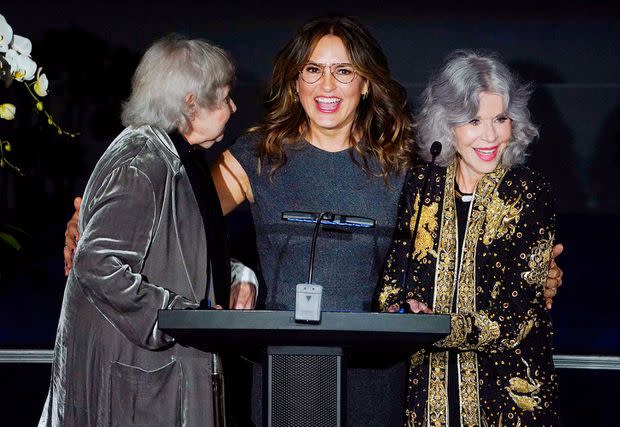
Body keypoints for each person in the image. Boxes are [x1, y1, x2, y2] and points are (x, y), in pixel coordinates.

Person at [63, 15, 564, 426]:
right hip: (283, 382)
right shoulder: (257, 157)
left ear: (366, 83)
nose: (327, 85)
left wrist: (539, 272)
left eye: (344, 71)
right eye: (312, 70)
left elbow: (469, 239)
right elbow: (172, 227)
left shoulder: (405, 164)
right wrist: (89, 221)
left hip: (379, 385)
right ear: (294, 82)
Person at [40, 34, 257, 426]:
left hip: (156, 379)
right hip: (137, 384)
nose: (234, 107)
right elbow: (98, 264)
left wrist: (237, 275)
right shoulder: (141, 161)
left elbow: (179, 251)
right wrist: (181, 318)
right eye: (225, 97)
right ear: (191, 102)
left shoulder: (175, 156)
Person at [378, 50, 562, 426]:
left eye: (500, 119)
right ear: (447, 125)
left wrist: (431, 327)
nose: (491, 135)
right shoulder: (419, 185)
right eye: (474, 120)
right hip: (425, 399)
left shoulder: (529, 191)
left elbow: (515, 314)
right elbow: (390, 287)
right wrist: (402, 312)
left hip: (509, 400)